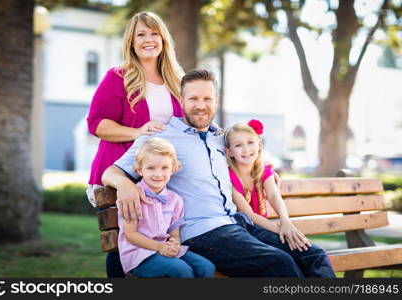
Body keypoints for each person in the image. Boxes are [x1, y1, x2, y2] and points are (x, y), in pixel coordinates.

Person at [103, 69, 336, 277]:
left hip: (239, 222)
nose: (200, 105)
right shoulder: (160, 137)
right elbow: (110, 173)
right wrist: (124, 185)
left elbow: (247, 156)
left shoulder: (220, 138)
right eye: (193, 98)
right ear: (181, 100)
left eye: (207, 99)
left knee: (311, 254)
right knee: (277, 263)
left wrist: (266, 172)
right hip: (201, 232)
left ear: (216, 101)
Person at [86, 11, 185, 277]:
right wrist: (138, 131)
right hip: (117, 173)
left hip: (157, 176)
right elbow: (96, 124)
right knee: (122, 242)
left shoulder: (177, 80)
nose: (148, 40)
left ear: (164, 39)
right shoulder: (119, 76)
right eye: (141, 34)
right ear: (131, 42)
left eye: (154, 33)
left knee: (156, 240)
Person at [118, 137, 215, 278]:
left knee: (206, 267)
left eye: (164, 168)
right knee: (181, 270)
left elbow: (174, 233)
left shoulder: (175, 200)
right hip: (139, 254)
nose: (158, 174)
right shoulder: (133, 197)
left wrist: (174, 243)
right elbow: (131, 234)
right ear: (139, 170)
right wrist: (160, 247)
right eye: (151, 168)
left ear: (173, 169)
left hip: (164, 248)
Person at [224, 120, 311, 251]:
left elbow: (274, 196)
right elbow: (249, 215)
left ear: (259, 144)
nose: (246, 149)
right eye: (238, 145)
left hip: (266, 229)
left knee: (311, 253)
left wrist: (286, 221)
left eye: (250, 142)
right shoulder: (229, 178)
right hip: (246, 233)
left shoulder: (264, 172)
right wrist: (284, 230)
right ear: (229, 151)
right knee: (297, 251)